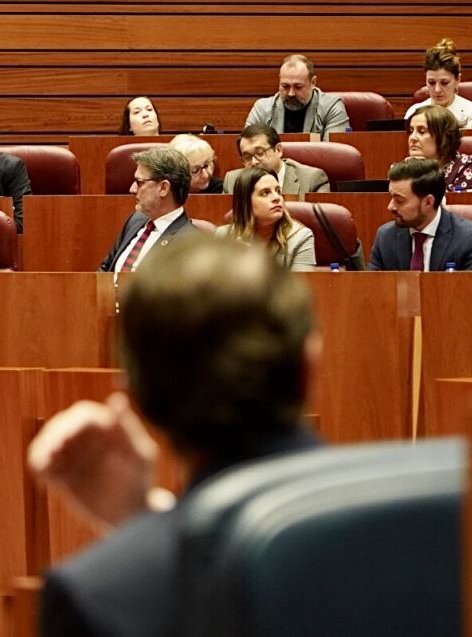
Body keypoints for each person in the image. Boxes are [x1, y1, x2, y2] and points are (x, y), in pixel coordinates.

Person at [31, 234, 321, 637]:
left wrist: (143, 530)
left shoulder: (99, 595)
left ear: (139, 398)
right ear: (310, 365)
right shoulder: (434, 525)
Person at [369, 158, 472, 271]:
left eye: (400, 200)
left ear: (428, 202)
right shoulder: (385, 237)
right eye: (391, 198)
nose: (390, 207)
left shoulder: (470, 239)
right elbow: (371, 289)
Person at [97, 147, 198, 275]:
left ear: (163, 188)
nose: (132, 189)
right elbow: (106, 268)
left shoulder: (189, 243)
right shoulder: (135, 220)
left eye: (139, 183)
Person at [216, 166, 316, 271]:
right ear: (246, 202)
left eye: (278, 191)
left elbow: (300, 287)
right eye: (265, 193)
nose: (277, 198)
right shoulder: (223, 236)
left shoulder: (300, 238)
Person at [245, 54, 350, 137]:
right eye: (285, 86)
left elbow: (335, 154)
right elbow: (248, 148)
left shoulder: (331, 107)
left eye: (298, 87)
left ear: (313, 82)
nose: (291, 93)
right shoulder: (262, 109)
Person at [223, 124, 330, 198]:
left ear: (278, 150)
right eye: (247, 157)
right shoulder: (232, 181)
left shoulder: (312, 179)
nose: (254, 162)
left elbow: (319, 225)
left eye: (260, 153)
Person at [404, 38, 472, 129]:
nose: (437, 90)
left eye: (444, 83)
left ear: (457, 80)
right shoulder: (414, 113)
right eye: (431, 82)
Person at [407, 105, 472, 192]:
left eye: (422, 132)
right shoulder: (402, 168)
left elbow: (461, 204)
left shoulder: (465, 165)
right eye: (411, 131)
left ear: (443, 137)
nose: (412, 138)